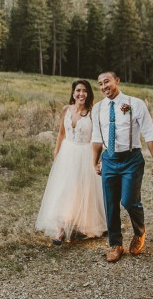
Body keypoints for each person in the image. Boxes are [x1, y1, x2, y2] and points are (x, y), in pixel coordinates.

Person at [91, 71, 153, 262]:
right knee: (110, 203)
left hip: (131, 159)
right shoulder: (97, 109)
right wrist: (95, 161)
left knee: (130, 201)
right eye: (100, 84)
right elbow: (97, 139)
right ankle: (116, 244)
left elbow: (149, 133)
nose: (103, 86)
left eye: (106, 81)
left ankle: (139, 232)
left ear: (117, 81)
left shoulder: (135, 104)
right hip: (109, 160)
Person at [35, 80, 107, 245]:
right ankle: (60, 230)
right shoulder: (66, 110)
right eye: (78, 90)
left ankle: (81, 222)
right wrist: (57, 151)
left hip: (85, 154)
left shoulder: (92, 113)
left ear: (88, 94)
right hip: (67, 153)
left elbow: (98, 138)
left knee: (82, 190)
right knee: (63, 188)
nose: (81, 94)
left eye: (84, 91)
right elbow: (61, 133)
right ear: (73, 93)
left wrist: (98, 158)